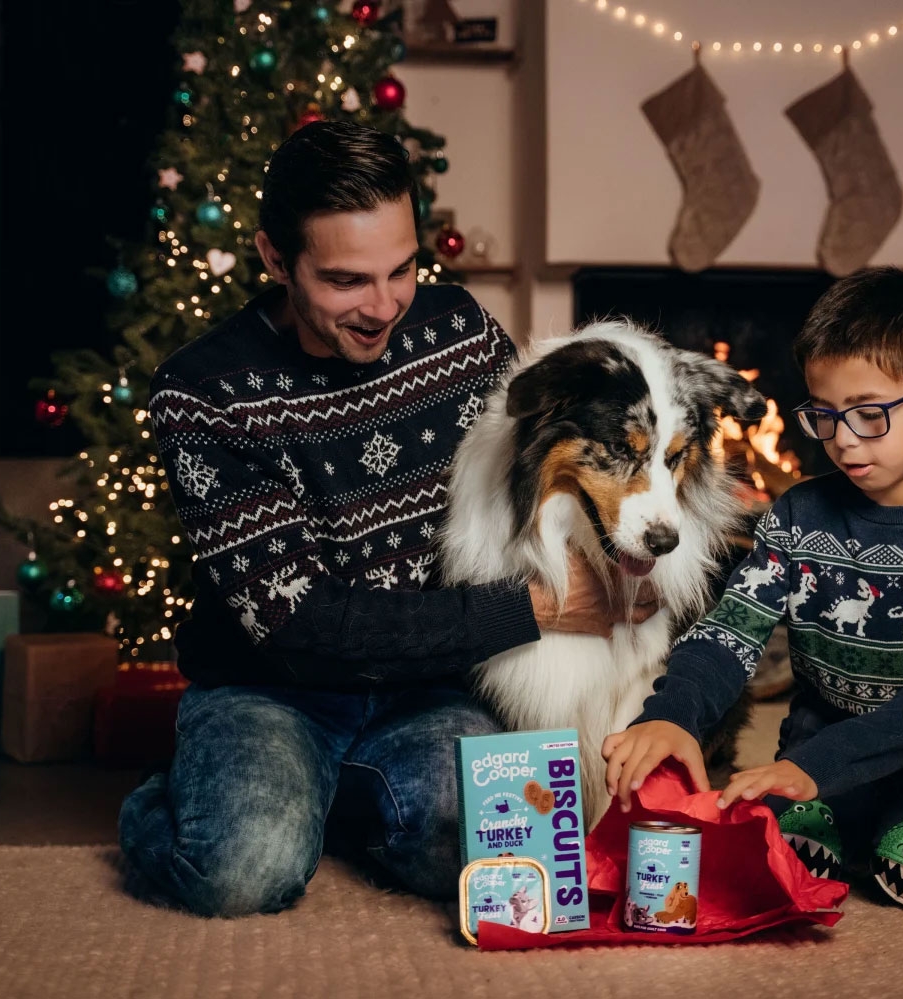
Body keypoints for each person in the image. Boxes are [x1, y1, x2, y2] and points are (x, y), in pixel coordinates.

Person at [118, 121, 657, 917]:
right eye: (346, 281)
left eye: (403, 268)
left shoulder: (459, 331)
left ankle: (333, 802)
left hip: (428, 687)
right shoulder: (204, 393)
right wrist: (537, 607)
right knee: (244, 870)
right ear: (275, 260)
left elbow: (547, 465)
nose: (384, 306)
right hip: (270, 690)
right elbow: (301, 623)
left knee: (503, 848)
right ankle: (183, 801)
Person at [603, 267, 903, 911]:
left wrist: (817, 768)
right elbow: (729, 634)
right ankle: (843, 812)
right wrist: (672, 716)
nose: (844, 442)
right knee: (781, 850)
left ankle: (900, 816)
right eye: (824, 417)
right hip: (819, 730)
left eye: (869, 416)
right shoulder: (797, 515)